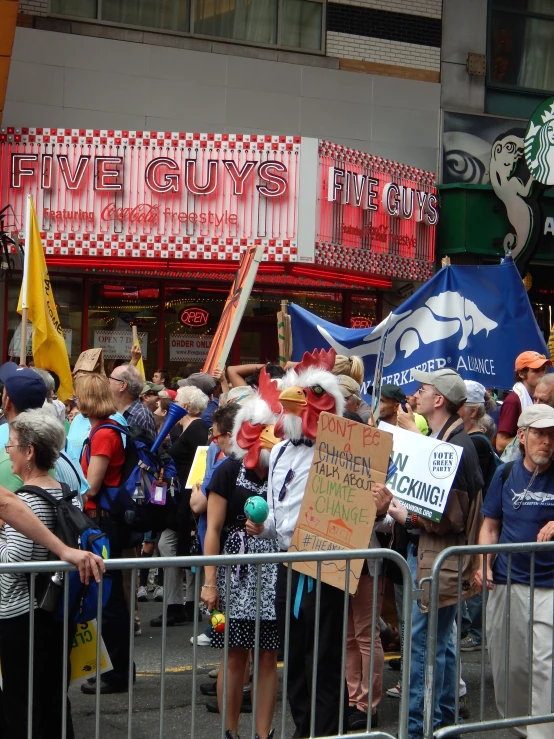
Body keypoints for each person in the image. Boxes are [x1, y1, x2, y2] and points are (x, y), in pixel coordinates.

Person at [389, 368, 483, 739]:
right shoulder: (448, 441)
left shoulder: (455, 447)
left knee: (422, 648)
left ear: (439, 399)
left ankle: (418, 729)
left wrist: (403, 514)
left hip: (436, 559)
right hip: (433, 557)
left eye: (423, 389)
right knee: (437, 644)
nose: (417, 394)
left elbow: (449, 517)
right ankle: (442, 726)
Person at [202, 370, 281, 739]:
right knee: (235, 656)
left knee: (268, 657)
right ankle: (230, 732)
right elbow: (213, 530)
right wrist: (209, 582)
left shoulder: (283, 470)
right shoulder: (227, 469)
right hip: (236, 573)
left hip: (274, 573)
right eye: (259, 427)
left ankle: (263, 735)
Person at [476, 404, 554, 739]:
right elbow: (490, 526)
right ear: (522, 437)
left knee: (545, 667)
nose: (547, 442)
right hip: (508, 584)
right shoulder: (504, 473)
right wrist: (483, 563)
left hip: (549, 587)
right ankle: (517, 729)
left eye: (552, 435)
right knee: (510, 668)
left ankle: (542, 734)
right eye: (539, 434)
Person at [0, 409, 75, 738]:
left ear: (29, 451)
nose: (8, 452)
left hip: (20, 613)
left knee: (21, 702)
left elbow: (15, 559)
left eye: (11, 445)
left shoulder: (28, 500)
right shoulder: (64, 488)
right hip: (53, 610)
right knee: (52, 698)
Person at [76, 373, 132, 695]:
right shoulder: (107, 429)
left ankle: (118, 673)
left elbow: (91, 486)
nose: (75, 402)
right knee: (111, 599)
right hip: (106, 521)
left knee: (109, 602)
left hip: (103, 522)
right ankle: (123, 669)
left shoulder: (103, 434)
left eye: (80, 396)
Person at [151, 385, 209, 627]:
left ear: (185, 406)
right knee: (177, 546)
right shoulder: (187, 428)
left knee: (182, 547)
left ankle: (182, 604)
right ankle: (183, 603)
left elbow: (202, 462)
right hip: (181, 498)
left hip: (188, 499)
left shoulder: (196, 428)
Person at [190, 404, 239, 649]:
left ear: (230, 435)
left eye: (216, 435)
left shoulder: (232, 465)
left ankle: (228, 652)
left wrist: (200, 494)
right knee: (216, 600)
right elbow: (198, 501)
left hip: (227, 542)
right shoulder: (212, 450)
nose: (212, 439)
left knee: (229, 604)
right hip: (209, 532)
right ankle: (219, 640)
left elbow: (199, 501)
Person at [458, 381, 499, 652]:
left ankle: (476, 633)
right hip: (477, 518)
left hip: (480, 519)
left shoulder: (477, 443)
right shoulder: (474, 437)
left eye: (459, 404)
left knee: (475, 571)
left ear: (472, 412)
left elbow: (476, 487)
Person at [496, 351, 551, 454]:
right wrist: (531, 440)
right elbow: (500, 444)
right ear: (521, 373)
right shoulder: (513, 401)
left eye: (543, 370)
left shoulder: (541, 396)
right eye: (536, 371)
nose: (542, 374)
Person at [110, 363, 157, 443]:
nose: (108, 381)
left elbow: (148, 453)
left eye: (111, 378)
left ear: (122, 386)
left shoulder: (142, 416)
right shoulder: (112, 410)